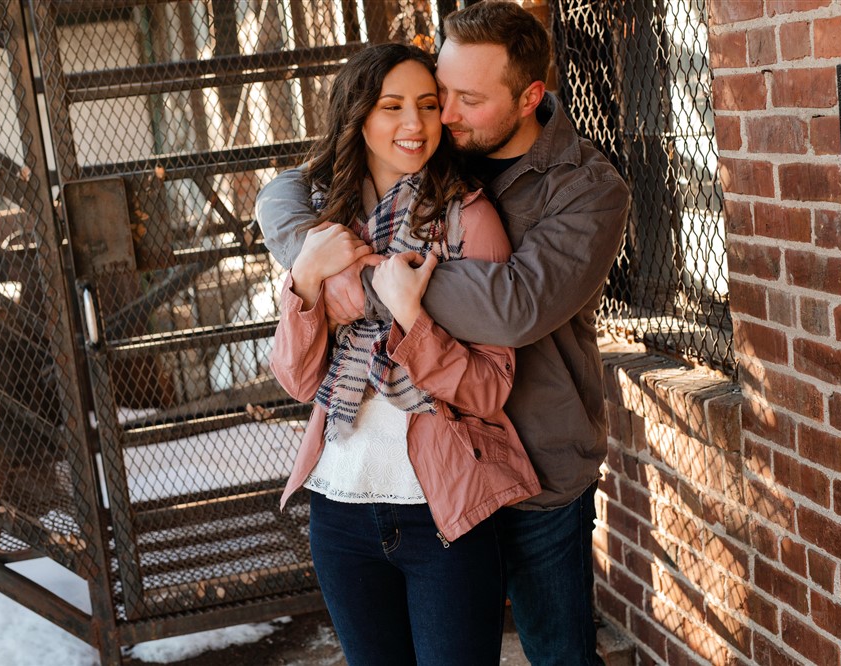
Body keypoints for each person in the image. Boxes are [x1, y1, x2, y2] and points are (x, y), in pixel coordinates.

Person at [258, 3, 631, 663]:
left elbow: (514, 309)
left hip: (539, 466)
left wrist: (360, 279)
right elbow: (288, 190)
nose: (440, 116)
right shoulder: (426, 152)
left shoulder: (588, 190)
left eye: (463, 99)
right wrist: (312, 268)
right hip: (428, 478)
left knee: (558, 652)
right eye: (438, 91)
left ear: (528, 99)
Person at [267, 42, 541, 666]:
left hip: (440, 514)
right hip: (339, 509)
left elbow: (487, 391)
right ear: (359, 116)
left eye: (426, 104)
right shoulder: (323, 223)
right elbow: (298, 378)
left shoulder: (470, 221)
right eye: (392, 107)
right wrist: (305, 279)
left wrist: (412, 317)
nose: (414, 125)